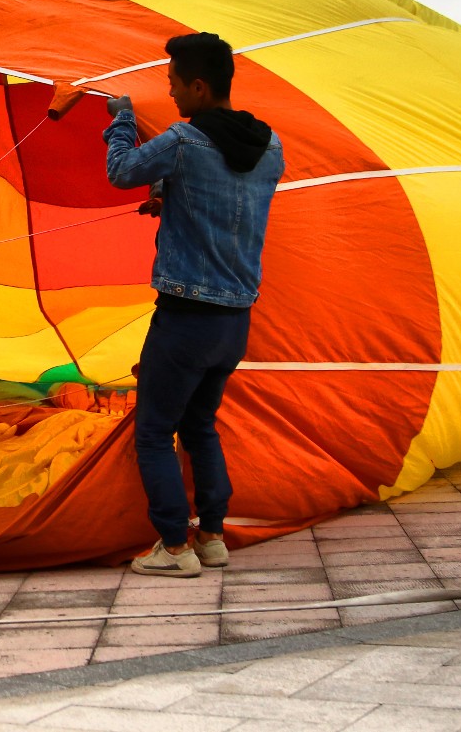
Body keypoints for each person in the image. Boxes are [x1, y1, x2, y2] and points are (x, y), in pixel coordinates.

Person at [102, 32, 283, 578]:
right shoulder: (270, 144)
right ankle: (211, 536)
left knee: (155, 430)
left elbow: (121, 170)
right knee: (201, 424)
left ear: (199, 85)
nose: (173, 95)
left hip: (184, 314)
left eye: (175, 84)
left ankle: (174, 548)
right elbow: (230, 202)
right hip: (235, 319)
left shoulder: (183, 140)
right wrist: (171, 200)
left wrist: (121, 119)